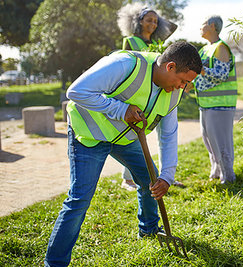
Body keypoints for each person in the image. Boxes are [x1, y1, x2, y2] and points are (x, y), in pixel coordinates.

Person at [44, 42, 202, 267]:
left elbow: (168, 135)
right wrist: (120, 110)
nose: (183, 87)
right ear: (170, 67)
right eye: (183, 81)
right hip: (89, 136)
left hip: (126, 139)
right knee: (80, 199)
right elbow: (76, 92)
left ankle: (148, 230)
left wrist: (167, 175)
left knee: (152, 180)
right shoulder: (126, 65)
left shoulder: (173, 95)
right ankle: (55, 263)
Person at [117, 2, 182, 190]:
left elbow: (173, 28)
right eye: (148, 20)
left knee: (165, 136)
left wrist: (159, 21)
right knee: (134, 138)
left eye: (156, 21)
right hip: (137, 94)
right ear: (138, 21)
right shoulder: (130, 41)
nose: (153, 24)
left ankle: (165, 176)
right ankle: (128, 179)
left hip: (158, 94)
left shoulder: (157, 44)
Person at [191, 15, 238, 184]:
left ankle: (229, 176)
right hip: (205, 104)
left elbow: (221, 75)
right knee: (209, 140)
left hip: (221, 105)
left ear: (212, 26)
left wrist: (200, 69)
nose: (200, 26)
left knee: (221, 142)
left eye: (203, 23)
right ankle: (217, 171)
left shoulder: (220, 47)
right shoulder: (204, 49)